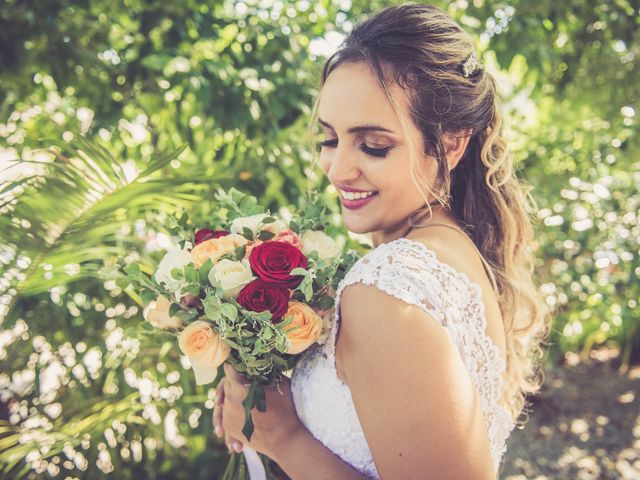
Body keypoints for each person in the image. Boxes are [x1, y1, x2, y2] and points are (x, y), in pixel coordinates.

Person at [213, 3, 550, 478]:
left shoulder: (387, 289)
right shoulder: (455, 250)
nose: (338, 169)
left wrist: (284, 438)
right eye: (329, 140)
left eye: (373, 145)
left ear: (451, 144)